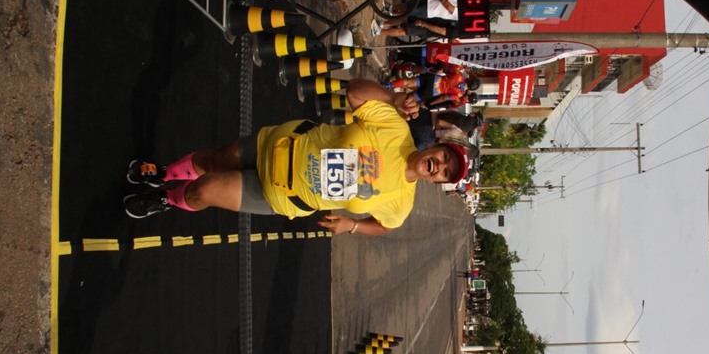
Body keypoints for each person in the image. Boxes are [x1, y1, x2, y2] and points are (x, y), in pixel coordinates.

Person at [124, 80, 470, 236]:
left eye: (446, 173)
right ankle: (165, 173)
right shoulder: (396, 128)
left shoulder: (401, 204)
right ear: (435, 147)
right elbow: (354, 91)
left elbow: (385, 227)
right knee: (213, 161)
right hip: (279, 144)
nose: (440, 166)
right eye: (444, 157)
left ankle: (167, 199)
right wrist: (392, 98)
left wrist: (351, 225)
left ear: (438, 181)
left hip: (281, 194)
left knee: (205, 190)